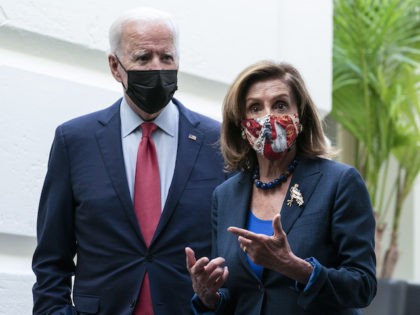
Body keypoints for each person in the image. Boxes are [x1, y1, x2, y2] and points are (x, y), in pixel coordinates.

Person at [32, 7, 227, 315]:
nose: (156, 68)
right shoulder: (75, 141)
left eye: (166, 58)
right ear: (115, 66)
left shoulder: (218, 141)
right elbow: (51, 256)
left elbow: (232, 249)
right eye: (142, 58)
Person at [186, 60, 377, 314]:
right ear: (242, 126)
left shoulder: (339, 182)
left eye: (280, 105)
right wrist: (209, 296)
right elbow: (241, 294)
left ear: (300, 116)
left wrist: (293, 266)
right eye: (255, 108)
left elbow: (362, 286)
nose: (268, 117)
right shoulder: (226, 195)